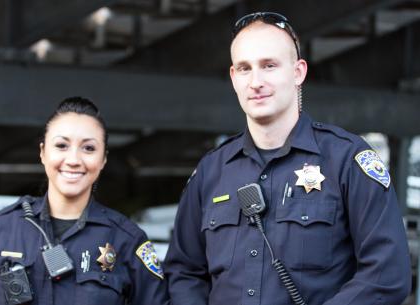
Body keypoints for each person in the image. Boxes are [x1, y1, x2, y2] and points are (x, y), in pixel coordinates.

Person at [164, 12, 411, 305]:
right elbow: (184, 272)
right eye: (244, 68)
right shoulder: (210, 171)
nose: (256, 81)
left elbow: (386, 275)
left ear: (298, 72)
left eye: (269, 65)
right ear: (233, 78)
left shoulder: (347, 159)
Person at [0, 97, 169, 305]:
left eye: (88, 148)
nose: (74, 160)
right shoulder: (5, 228)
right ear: (43, 153)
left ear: (103, 159)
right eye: (61, 145)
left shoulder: (127, 240)